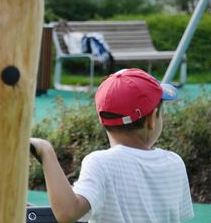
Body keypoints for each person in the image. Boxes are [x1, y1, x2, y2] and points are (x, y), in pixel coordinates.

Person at [30, 69, 194, 223]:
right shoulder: (175, 163)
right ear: (152, 119)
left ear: (102, 119)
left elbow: (67, 213)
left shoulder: (101, 164)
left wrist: (46, 151)